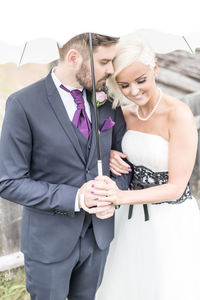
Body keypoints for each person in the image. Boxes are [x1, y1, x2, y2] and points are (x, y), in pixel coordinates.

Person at [0, 33, 130, 300]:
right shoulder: (23, 105)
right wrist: (76, 197)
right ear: (73, 58)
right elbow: (9, 181)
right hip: (49, 245)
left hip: (98, 239)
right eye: (104, 61)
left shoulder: (106, 100)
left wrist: (114, 195)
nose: (112, 70)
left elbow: (123, 163)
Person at [94, 36, 200, 300]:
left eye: (141, 80)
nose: (133, 91)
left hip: (169, 222)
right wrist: (110, 155)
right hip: (130, 221)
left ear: (154, 68)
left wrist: (120, 197)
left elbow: (176, 188)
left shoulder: (179, 114)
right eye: (124, 85)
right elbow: (122, 156)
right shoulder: (126, 114)